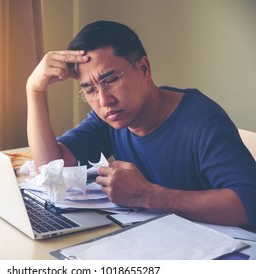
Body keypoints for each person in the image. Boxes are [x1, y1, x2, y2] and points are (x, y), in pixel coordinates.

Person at [26, 20, 256, 231]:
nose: (104, 100)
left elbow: (249, 204)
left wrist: (147, 195)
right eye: (90, 90)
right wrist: (34, 91)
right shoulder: (110, 119)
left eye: (111, 80)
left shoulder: (202, 120)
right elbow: (49, 167)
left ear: (144, 69)